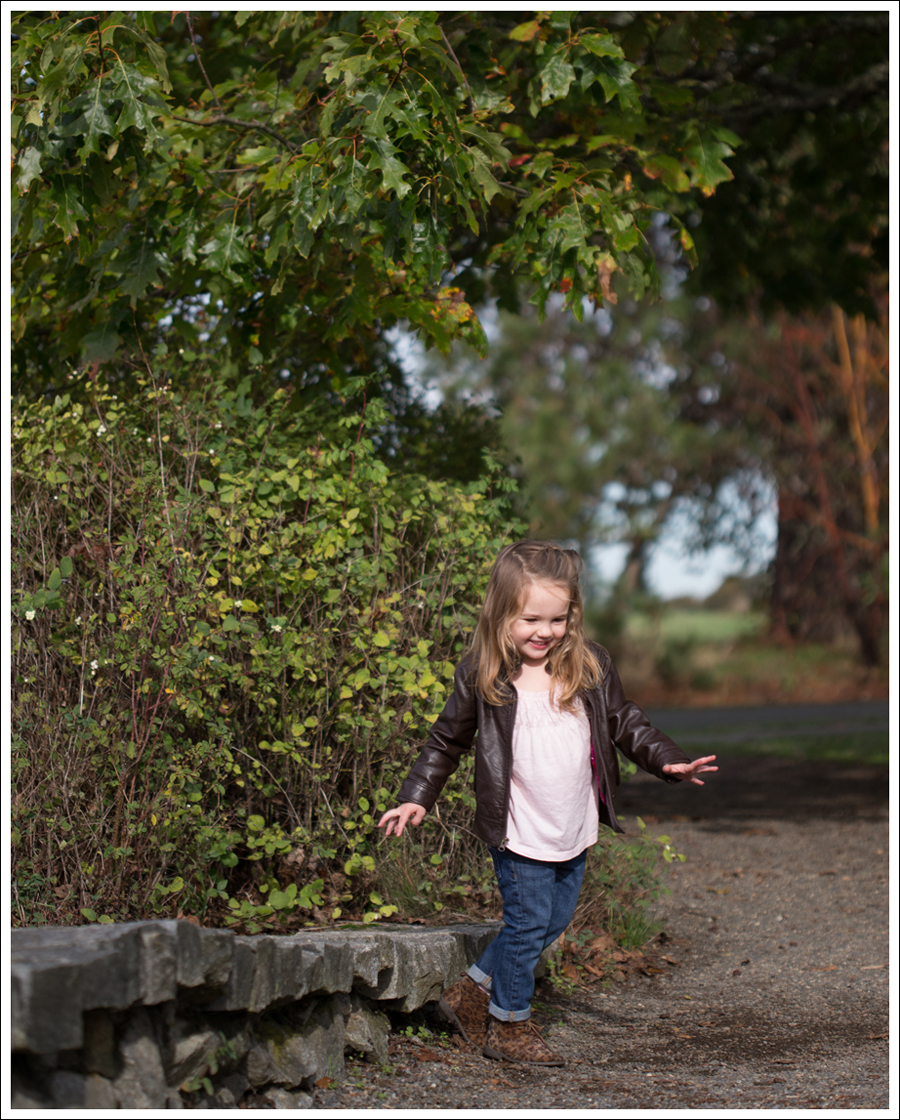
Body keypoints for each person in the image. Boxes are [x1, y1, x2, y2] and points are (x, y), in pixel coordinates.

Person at [378, 540, 716, 1067]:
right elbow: (446, 742)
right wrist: (416, 797)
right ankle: (509, 1025)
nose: (545, 631)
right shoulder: (483, 674)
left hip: (571, 824)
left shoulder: (588, 665)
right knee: (528, 924)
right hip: (519, 828)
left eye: (557, 619)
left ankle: (471, 991)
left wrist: (667, 760)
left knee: (551, 922)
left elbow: (625, 721)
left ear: (572, 615)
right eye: (531, 619)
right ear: (501, 614)